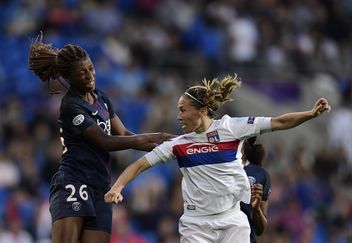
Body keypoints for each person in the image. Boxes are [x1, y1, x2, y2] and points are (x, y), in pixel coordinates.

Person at [104, 74, 331, 243]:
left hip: (232, 219)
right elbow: (140, 164)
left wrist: (310, 114)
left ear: (201, 110)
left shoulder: (233, 127)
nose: (178, 116)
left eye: (183, 110)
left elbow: (279, 122)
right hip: (196, 225)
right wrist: (117, 187)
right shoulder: (179, 144)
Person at [28, 34, 175, 243]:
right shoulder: (72, 106)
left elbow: (123, 134)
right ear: (69, 77)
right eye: (82, 72)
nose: (89, 75)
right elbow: (105, 141)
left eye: (91, 68)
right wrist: (154, 137)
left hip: (101, 187)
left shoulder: (102, 98)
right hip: (74, 181)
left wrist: (166, 149)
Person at [240, 136, 270, 243]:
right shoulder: (262, 174)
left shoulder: (261, 174)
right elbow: (260, 230)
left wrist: (256, 209)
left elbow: (260, 229)